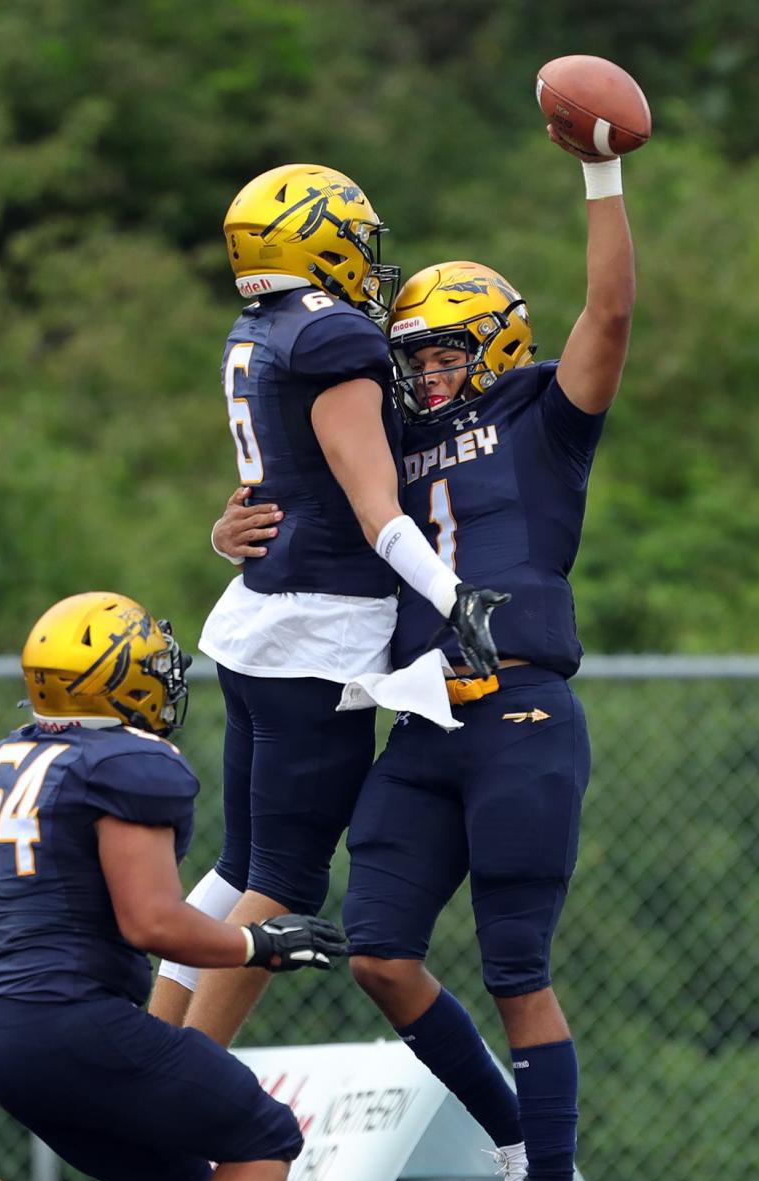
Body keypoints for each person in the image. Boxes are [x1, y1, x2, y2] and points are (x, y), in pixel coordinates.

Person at [342, 129, 638, 1181]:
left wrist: (603, 173)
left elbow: (610, 315)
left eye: (445, 349)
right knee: (376, 950)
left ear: (499, 340)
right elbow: (322, 500)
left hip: (518, 704)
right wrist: (231, 527)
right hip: (423, 716)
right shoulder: (399, 437)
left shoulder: (541, 412)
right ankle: (517, 1140)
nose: (425, 373)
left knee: (518, 969)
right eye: (412, 356)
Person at [0, 590, 344, 1181]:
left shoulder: (24, 751)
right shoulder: (130, 764)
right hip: (74, 1017)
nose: (163, 676)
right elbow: (151, 920)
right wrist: (264, 946)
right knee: (263, 1133)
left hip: (2, 1023)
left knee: (172, 1180)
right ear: (114, 677)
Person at [151, 161, 508, 1043]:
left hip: (262, 630)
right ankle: (181, 1084)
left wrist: (220, 534)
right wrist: (454, 595)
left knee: (239, 868)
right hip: (319, 636)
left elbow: (288, 481)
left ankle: (155, 1041)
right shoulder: (333, 334)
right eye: (355, 236)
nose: (367, 257)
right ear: (315, 240)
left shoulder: (261, 327)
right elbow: (371, 504)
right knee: (286, 882)